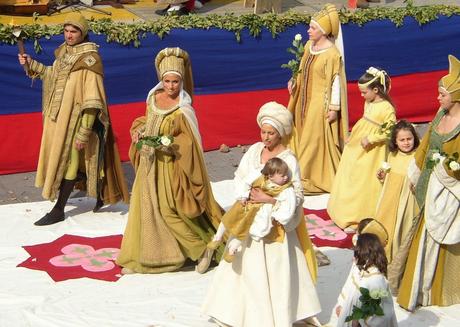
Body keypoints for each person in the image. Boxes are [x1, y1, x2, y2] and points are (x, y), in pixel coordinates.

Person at [202, 102, 321, 327]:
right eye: (263, 132)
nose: (266, 137)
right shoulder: (256, 150)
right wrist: (244, 196)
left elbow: (297, 193)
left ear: (280, 133)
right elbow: (241, 176)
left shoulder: (288, 159)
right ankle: (241, 312)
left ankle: (277, 314)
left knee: (277, 270)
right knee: (247, 270)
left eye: (271, 133)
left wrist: (271, 200)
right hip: (250, 219)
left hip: (274, 223)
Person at [116, 47, 224, 275]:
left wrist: (169, 143)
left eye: (176, 81)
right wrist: (139, 130)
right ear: (161, 80)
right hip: (149, 164)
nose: (171, 86)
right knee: (145, 210)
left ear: (182, 81)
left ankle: (203, 249)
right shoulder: (153, 98)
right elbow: (147, 120)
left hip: (170, 167)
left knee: (170, 211)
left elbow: (189, 142)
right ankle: (145, 258)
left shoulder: (183, 109)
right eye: (167, 81)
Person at [17, 13, 129, 226]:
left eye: (74, 31)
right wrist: (31, 63)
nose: (69, 35)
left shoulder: (89, 59)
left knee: (71, 162)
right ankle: (67, 198)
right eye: (66, 31)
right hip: (59, 118)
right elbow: (53, 76)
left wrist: (84, 131)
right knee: (65, 160)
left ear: (83, 33)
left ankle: (59, 209)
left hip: (76, 119)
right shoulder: (65, 52)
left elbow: (92, 99)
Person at [394, 55, 460, 311]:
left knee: (443, 239)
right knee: (423, 232)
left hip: (450, 193)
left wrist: (448, 172)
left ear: (455, 95)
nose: (438, 99)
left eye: (442, 94)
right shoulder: (439, 114)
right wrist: (416, 173)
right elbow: (425, 147)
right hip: (431, 186)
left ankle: (439, 291)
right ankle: (419, 287)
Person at [287, 3, 348, 194]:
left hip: (319, 103)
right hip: (303, 99)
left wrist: (334, 108)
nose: (309, 30)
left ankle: (304, 174)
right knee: (301, 133)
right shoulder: (308, 46)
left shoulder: (331, 54)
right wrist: (293, 78)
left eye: (313, 27)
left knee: (311, 140)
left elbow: (336, 82)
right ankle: (299, 168)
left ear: (323, 31)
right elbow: (302, 68)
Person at [328, 67, 396, 231]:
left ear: (375, 90)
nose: (362, 96)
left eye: (364, 92)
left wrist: (372, 138)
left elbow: (389, 130)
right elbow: (365, 122)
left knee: (365, 179)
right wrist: (355, 135)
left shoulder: (387, 108)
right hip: (359, 145)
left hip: (373, 151)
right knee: (351, 172)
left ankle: (358, 217)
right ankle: (344, 210)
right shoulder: (369, 103)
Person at [208, 157, 297, 263]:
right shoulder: (261, 178)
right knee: (229, 218)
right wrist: (244, 196)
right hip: (245, 205)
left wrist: (276, 211)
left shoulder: (285, 189)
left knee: (244, 229)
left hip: (257, 211)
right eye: (282, 175)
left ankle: (232, 250)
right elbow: (245, 182)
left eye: (284, 174)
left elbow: (288, 204)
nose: (286, 177)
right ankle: (217, 237)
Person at [374, 120, 420, 263]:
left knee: (403, 227)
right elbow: (387, 175)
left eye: (409, 139)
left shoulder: (417, 156)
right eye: (402, 140)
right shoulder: (392, 155)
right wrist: (382, 176)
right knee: (388, 227)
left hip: (408, 200)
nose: (406, 143)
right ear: (395, 141)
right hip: (390, 199)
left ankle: (402, 256)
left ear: (414, 138)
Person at [335, 233, 397, 327]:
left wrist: (357, 321)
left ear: (364, 253)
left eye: (357, 253)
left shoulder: (375, 280)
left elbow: (380, 313)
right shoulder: (361, 270)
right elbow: (350, 288)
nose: (353, 258)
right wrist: (342, 305)